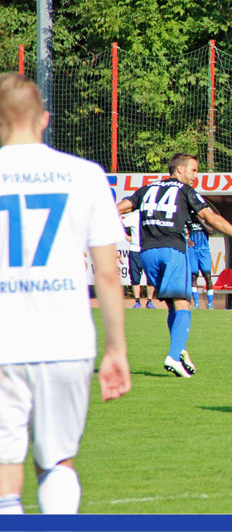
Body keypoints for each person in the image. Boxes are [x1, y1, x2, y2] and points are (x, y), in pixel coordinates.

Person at [0, 72, 131, 515]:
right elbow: (108, 274)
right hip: (66, 340)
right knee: (56, 461)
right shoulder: (85, 175)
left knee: (5, 465)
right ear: (44, 120)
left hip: (3, 340)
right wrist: (117, 348)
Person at [118, 154, 232, 376]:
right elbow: (212, 219)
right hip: (172, 251)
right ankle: (173, 356)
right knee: (183, 303)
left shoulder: (147, 189)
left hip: (148, 252)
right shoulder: (185, 191)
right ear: (180, 169)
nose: (196, 176)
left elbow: (117, 208)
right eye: (194, 170)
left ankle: (179, 351)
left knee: (171, 305)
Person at [122, 209, 155, 308]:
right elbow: (119, 224)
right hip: (135, 250)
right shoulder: (134, 216)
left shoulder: (152, 216)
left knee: (150, 278)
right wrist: (127, 237)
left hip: (148, 249)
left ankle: (149, 301)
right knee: (135, 278)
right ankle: (137, 301)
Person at [186, 215, 214, 309]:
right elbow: (181, 231)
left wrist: (201, 221)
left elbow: (211, 231)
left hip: (204, 250)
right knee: (193, 276)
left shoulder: (206, 220)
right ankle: (196, 303)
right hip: (193, 250)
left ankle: (210, 303)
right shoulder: (188, 219)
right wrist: (187, 239)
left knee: (207, 276)